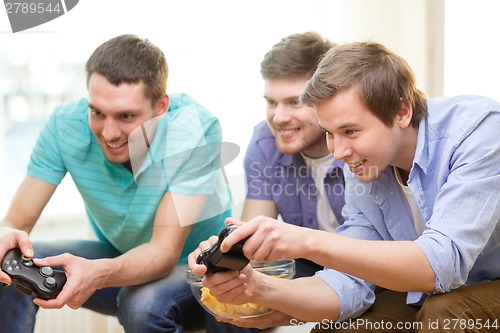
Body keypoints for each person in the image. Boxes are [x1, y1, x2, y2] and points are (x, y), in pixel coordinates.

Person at [189, 41, 500, 333]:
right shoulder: (365, 162)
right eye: (329, 133)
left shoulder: (478, 130)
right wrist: (256, 286)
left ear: (402, 111)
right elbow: (348, 284)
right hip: (442, 290)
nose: (337, 152)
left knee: (445, 312)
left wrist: (305, 241)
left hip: (475, 285)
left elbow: (441, 265)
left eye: (350, 131)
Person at [0, 34, 231, 333]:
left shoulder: (193, 132)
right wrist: (5, 235)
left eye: (126, 116)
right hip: (122, 256)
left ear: (161, 106)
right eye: (97, 112)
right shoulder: (64, 125)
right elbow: (16, 221)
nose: (109, 133)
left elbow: (162, 254)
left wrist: (98, 273)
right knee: (9, 264)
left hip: (198, 269)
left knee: (143, 306)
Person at [203, 32, 345, 333]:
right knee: (228, 300)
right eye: (271, 102)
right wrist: (221, 258)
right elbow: (252, 233)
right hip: (306, 263)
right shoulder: (265, 141)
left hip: (363, 264)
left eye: (295, 102)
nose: (279, 117)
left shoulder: (357, 145)